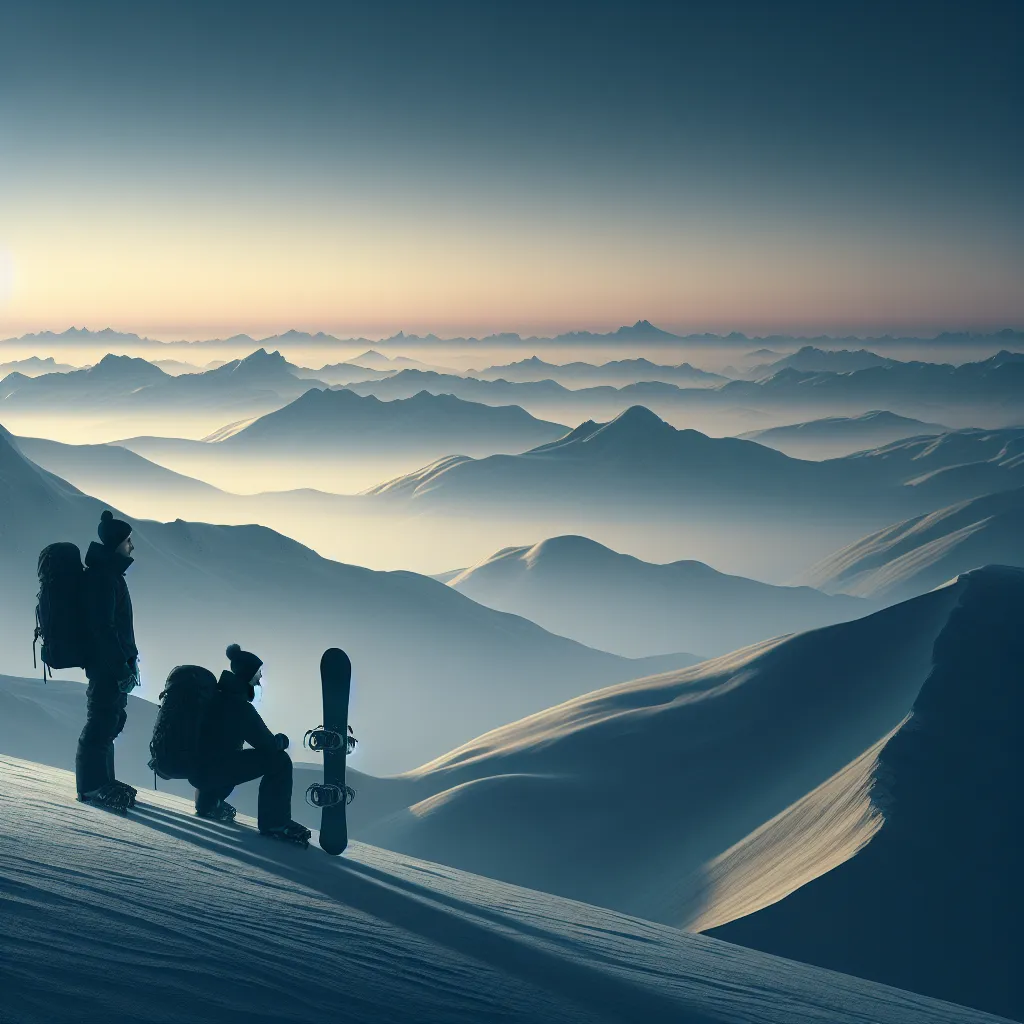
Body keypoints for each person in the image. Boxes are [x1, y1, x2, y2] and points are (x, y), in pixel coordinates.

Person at [189, 644, 310, 845]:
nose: (260, 680)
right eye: (257, 674)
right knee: (279, 761)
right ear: (247, 676)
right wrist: (281, 741)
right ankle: (275, 823)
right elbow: (268, 746)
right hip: (213, 771)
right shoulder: (238, 706)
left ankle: (207, 803)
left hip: (198, 772)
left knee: (225, 755)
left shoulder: (214, 697)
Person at [76, 510, 140, 812]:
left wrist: (128, 662)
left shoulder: (110, 574)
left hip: (113, 665)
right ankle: (91, 786)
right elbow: (103, 628)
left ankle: (104, 781)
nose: (131, 546)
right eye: (128, 541)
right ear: (116, 543)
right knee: (101, 722)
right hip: (106, 667)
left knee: (110, 721)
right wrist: (120, 667)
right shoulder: (104, 578)